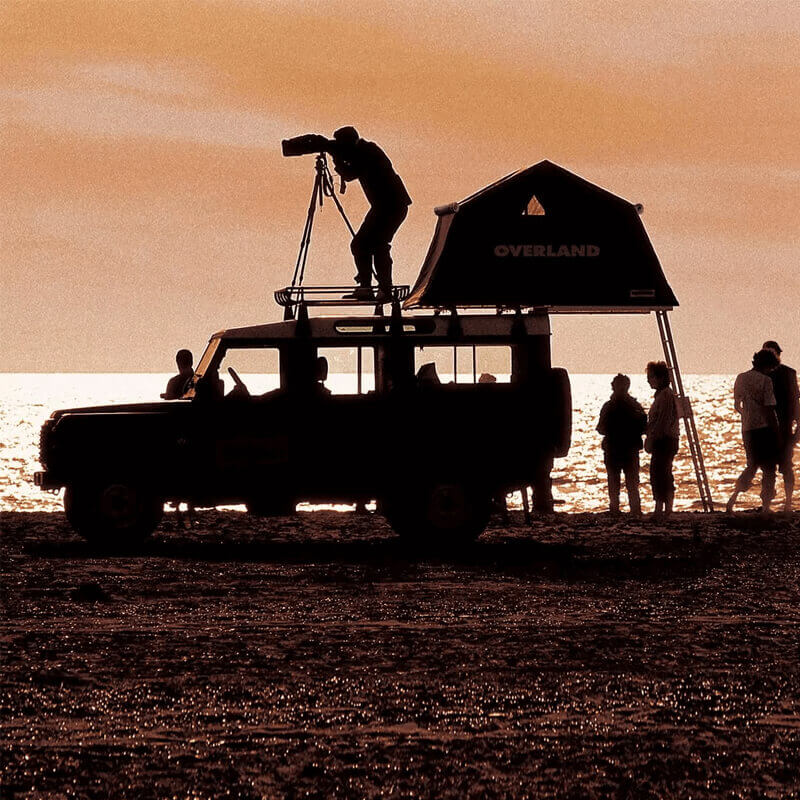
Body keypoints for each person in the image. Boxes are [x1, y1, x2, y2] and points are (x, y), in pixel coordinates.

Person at [330, 126, 412, 304]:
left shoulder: (367, 152)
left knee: (373, 244)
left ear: (349, 143)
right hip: (386, 206)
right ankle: (370, 287)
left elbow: (349, 174)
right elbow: (351, 171)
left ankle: (380, 288)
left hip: (391, 206)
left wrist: (335, 156)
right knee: (365, 244)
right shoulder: (365, 151)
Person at [726, 349, 780, 513]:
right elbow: (769, 408)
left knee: (752, 465)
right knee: (769, 468)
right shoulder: (766, 381)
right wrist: (776, 430)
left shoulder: (741, 378)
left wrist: (747, 415)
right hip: (764, 429)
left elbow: (737, 405)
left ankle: (733, 498)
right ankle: (765, 505)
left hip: (747, 429)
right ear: (768, 365)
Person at [597, 373, 647, 515]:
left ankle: (616, 509)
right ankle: (635, 510)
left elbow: (600, 428)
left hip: (615, 449)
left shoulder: (608, 406)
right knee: (631, 483)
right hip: (628, 450)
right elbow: (644, 427)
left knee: (614, 482)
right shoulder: (634, 406)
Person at [762, 340, 799, 512]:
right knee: (773, 468)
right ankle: (776, 503)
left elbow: (795, 401)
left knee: (781, 467)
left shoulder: (784, 374)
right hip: (773, 428)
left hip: (780, 428)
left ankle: (786, 502)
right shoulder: (766, 375)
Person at [645, 361, 680, 518]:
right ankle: (664, 506)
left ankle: (663, 507)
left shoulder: (665, 395)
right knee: (662, 472)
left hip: (664, 439)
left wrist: (652, 438)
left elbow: (663, 421)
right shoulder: (663, 394)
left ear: (658, 377)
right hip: (665, 438)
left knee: (660, 472)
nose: (648, 380)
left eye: (650, 377)